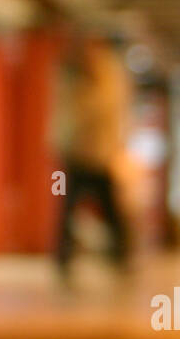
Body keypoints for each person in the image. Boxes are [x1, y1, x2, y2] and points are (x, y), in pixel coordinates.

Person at [54, 32, 132, 277]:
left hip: (97, 155)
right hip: (77, 153)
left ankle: (119, 253)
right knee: (69, 208)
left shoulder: (107, 78)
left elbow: (102, 111)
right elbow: (63, 115)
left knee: (107, 207)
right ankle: (64, 256)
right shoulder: (71, 76)